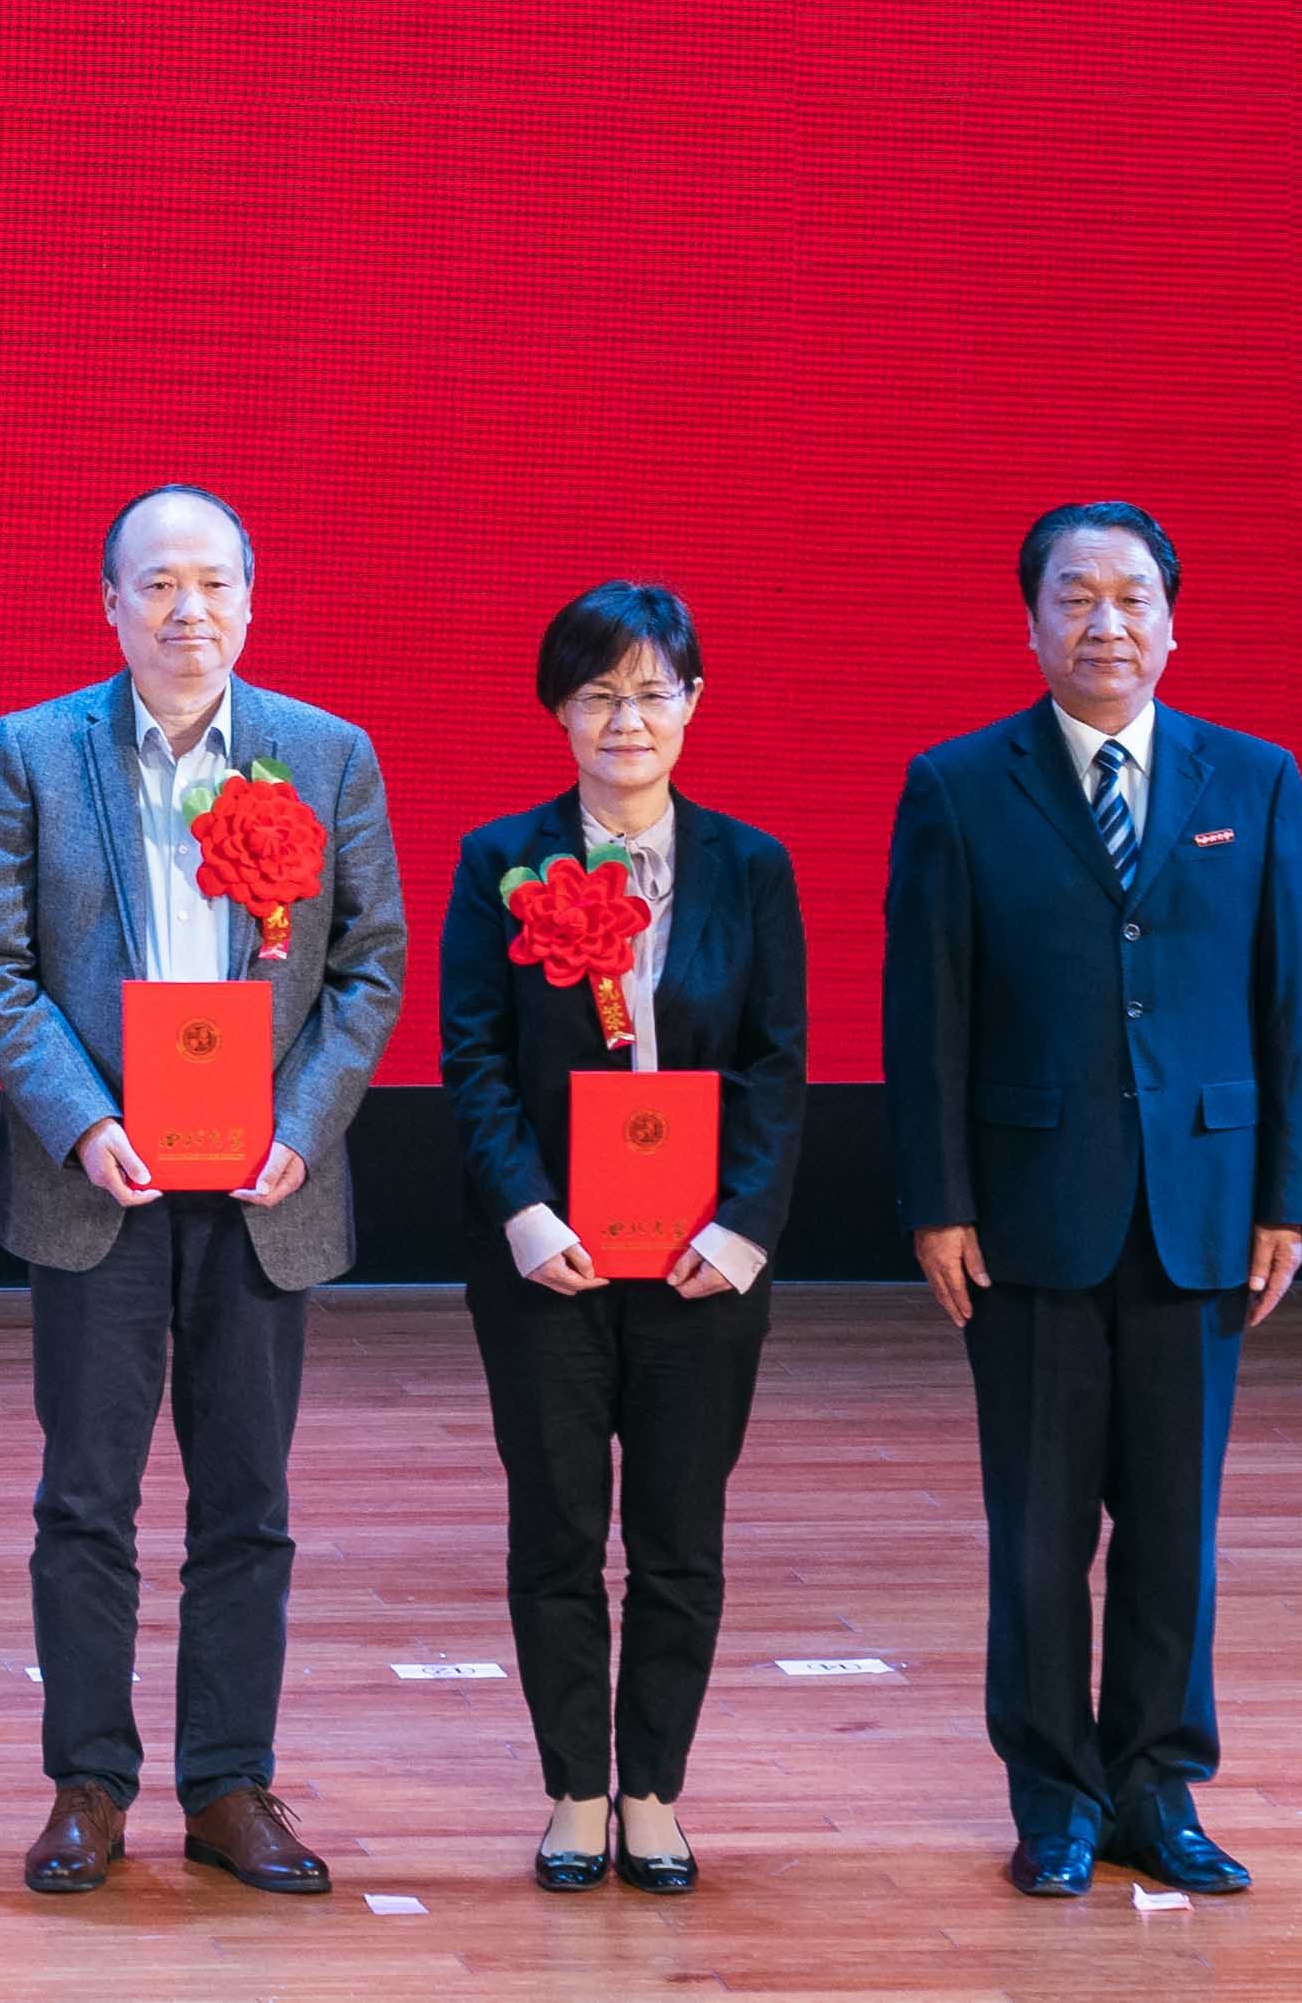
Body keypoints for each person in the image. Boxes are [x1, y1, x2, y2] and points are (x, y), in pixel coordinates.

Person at [0, 483, 409, 1901]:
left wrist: (302, 1125)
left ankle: (227, 1784)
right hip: (100, 1177)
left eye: (211, 582)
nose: (185, 610)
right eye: (154, 583)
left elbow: (368, 967)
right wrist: (82, 1121)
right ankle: (86, 1784)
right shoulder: (34, 749)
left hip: (262, 1181)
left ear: (250, 602)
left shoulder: (324, 753)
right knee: (84, 1498)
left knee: (247, 1500)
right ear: (108, 603)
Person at [889, 501, 1302, 1903]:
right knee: (1036, 1530)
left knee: (1173, 1522)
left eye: (1131, 597)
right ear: (1028, 623)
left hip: (1202, 1203)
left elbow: (1290, 1002)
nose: (1104, 623)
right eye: (1073, 597)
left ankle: (1155, 1785)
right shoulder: (958, 784)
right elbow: (926, 1013)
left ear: (1172, 622)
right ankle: (1052, 1795)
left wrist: (1286, 1194)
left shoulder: (1252, 779)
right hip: (1025, 1210)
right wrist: (937, 1199)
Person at [436, 579, 804, 1897]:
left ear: (692, 703)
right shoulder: (497, 860)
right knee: (553, 1531)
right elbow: (472, 1059)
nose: (625, 718)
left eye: (651, 691)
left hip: (702, 1265)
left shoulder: (749, 866)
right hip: (549, 1259)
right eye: (597, 693)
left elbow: (773, 1066)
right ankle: (572, 1792)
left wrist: (741, 1229)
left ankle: (650, 1789)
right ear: (557, 708)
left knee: (676, 1535)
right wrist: (523, 1214)